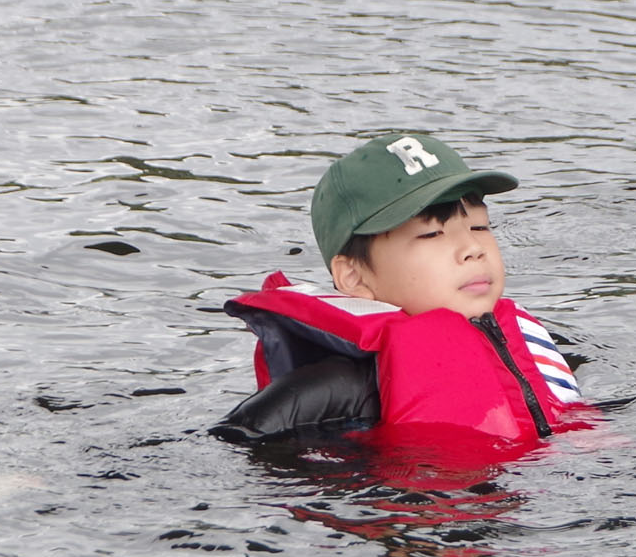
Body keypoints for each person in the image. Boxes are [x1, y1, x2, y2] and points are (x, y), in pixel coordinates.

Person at [211, 132, 590, 445]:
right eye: (432, 233)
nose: (473, 249)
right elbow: (239, 438)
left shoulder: (530, 340)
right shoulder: (347, 386)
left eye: (479, 227)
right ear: (356, 278)